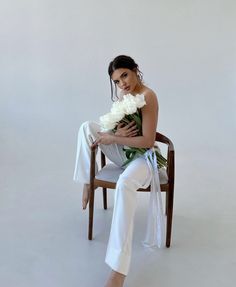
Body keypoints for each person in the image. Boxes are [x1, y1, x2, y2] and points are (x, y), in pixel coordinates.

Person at [73, 55, 159, 287]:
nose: (122, 84)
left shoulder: (148, 96)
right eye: (117, 81)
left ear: (135, 70)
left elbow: (149, 141)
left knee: (124, 184)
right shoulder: (123, 95)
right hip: (123, 152)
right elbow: (111, 130)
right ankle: (87, 180)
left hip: (143, 159)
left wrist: (112, 137)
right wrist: (116, 136)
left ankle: (118, 271)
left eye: (124, 75)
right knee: (86, 128)